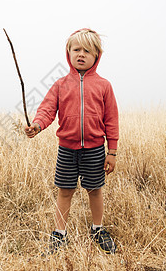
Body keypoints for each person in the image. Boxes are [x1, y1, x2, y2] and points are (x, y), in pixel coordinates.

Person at [24, 28, 119, 254]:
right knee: (64, 191)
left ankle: (98, 229)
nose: (81, 54)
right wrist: (37, 125)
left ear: (97, 55)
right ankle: (60, 234)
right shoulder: (60, 84)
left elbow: (112, 120)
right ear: (68, 53)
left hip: (95, 149)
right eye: (76, 49)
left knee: (95, 190)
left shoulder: (104, 85)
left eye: (88, 50)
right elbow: (47, 110)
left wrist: (112, 151)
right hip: (67, 149)